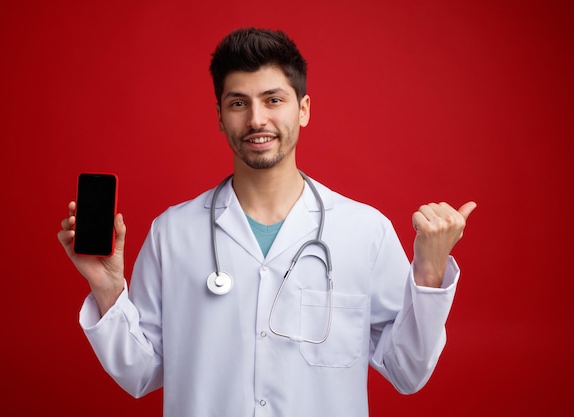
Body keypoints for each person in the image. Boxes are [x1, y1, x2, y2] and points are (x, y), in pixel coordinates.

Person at [58, 27, 476, 417]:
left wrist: (429, 272)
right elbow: (141, 373)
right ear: (220, 117)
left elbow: (406, 372)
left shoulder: (364, 232)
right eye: (238, 103)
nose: (257, 119)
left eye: (273, 100)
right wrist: (108, 287)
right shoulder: (173, 233)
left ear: (304, 109)